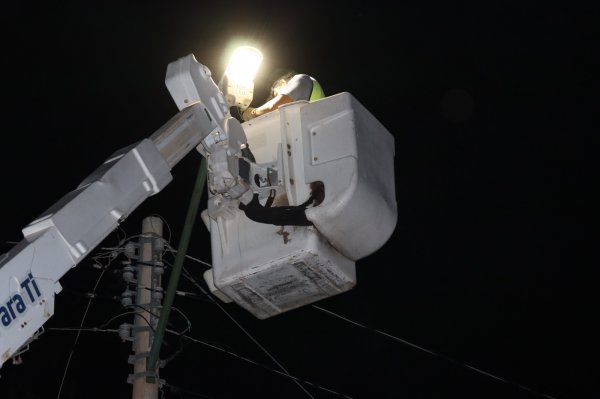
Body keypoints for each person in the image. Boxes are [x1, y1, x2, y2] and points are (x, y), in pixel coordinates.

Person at [241, 70, 325, 121]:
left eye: (276, 94)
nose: (277, 98)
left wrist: (253, 112)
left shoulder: (301, 79)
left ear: (282, 82)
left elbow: (273, 106)